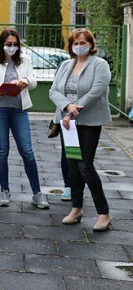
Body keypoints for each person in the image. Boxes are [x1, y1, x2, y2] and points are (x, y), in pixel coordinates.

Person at [49, 28, 112, 232]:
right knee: (72, 165)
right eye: (75, 43)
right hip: (68, 122)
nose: (79, 46)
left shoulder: (99, 64)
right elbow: (53, 91)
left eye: (83, 42)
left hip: (89, 122)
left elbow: (97, 90)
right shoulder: (66, 64)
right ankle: (76, 208)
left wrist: (76, 108)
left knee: (85, 165)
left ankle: (104, 213)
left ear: (91, 45)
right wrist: (68, 107)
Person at [0, 28, 48, 209]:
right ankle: (4, 190)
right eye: (8, 44)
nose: (11, 48)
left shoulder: (25, 60)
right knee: (2, 150)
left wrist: (25, 80)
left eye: (14, 44)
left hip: (19, 111)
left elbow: (34, 82)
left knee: (27, 151)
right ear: (2, 45)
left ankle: (37, 193)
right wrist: (3, 87)